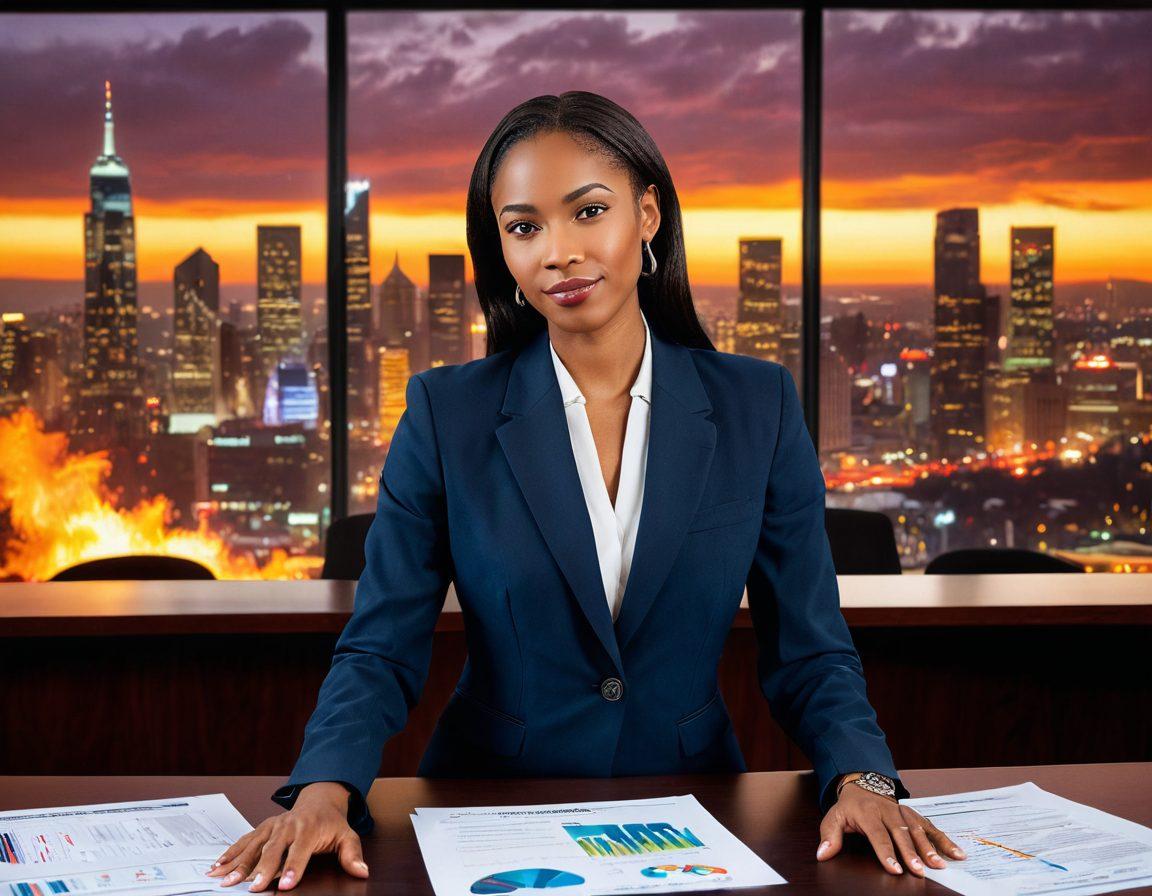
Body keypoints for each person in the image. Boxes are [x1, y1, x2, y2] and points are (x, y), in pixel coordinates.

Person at [206, 91, 966, 892]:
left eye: (588, 212)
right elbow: (381, 645)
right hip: (488, 811)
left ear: (648, 215)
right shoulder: (447, 413)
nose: (558, 253)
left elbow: (808, 647)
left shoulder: (757, 406)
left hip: (693, 811)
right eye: (525, 227)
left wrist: (864, 779)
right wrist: (325, 792)